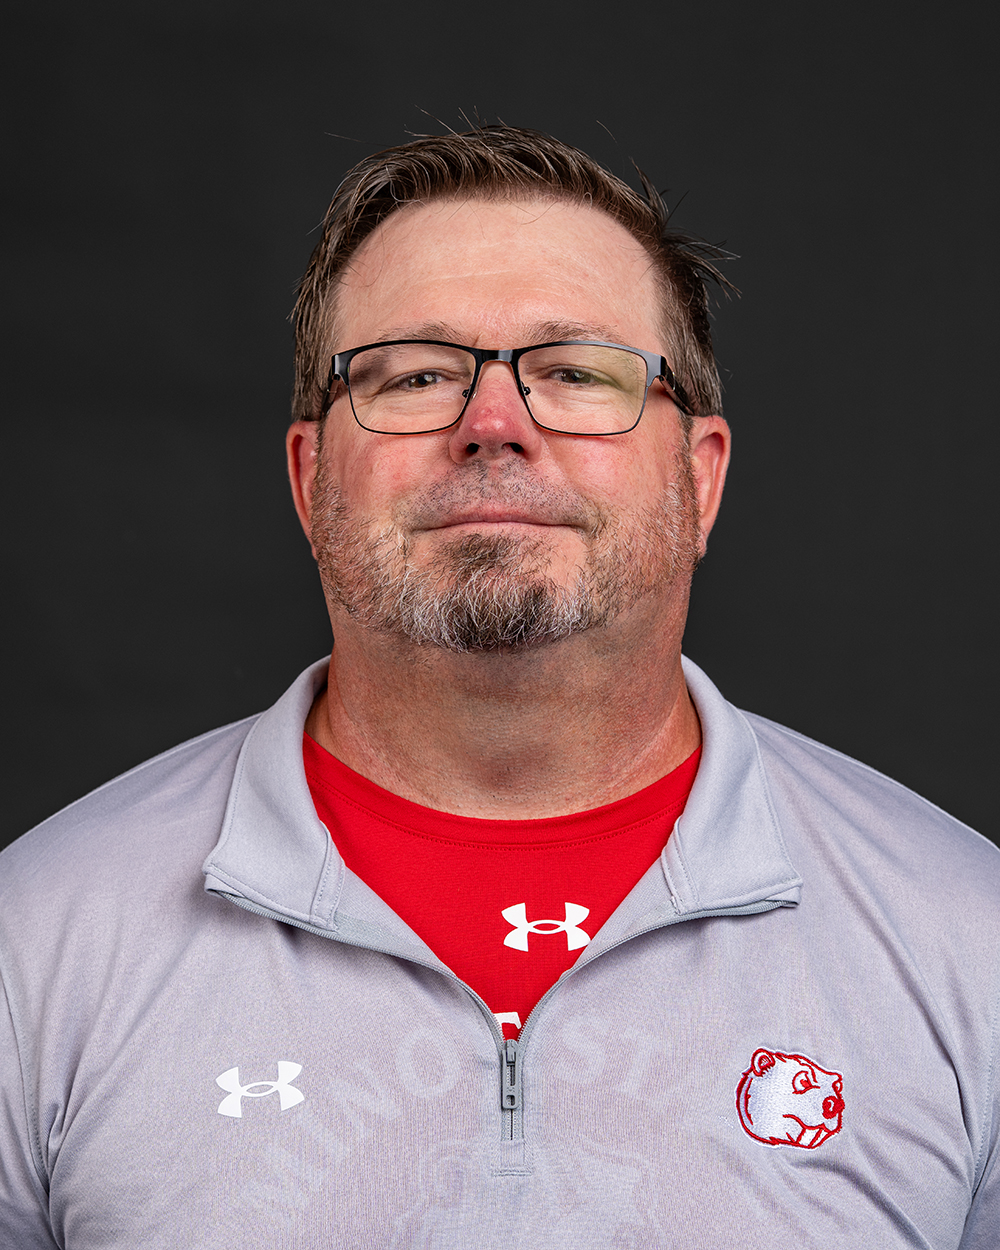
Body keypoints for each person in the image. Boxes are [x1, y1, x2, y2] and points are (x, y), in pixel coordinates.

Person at [1, 125, 997, 1249]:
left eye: (576, 372)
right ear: (308, 476)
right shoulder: (34, 945)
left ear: (699, 476)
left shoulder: (970, 943)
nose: (491, 425)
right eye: (416, 373)